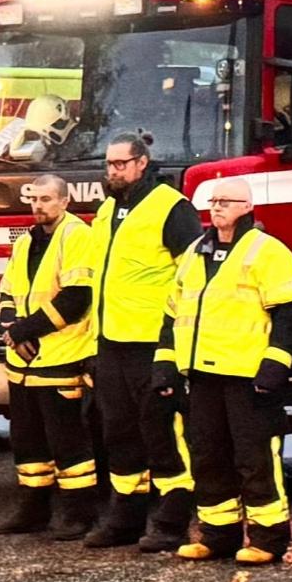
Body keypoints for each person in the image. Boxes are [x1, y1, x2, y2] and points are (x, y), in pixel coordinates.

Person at [159, 174, 292, 565]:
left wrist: (275, 365)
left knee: (255, 458)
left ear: (247, 207)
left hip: (247, 377)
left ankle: (268, 538)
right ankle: (217, 535)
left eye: (227, 200)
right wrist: (166, 366)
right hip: (203, 376)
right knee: (208, 456)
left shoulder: (267, 251)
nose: (217, 206)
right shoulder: (195, 252)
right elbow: (173, 313)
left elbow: (290, 314)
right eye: (214, 200)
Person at [82, 129, 202, 550]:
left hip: (152, 342)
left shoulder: (171, 208)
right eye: (109, 164)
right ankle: (125, 517)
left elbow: (193, 279)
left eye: (120, 164)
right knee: (119, 433)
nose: (112, 171)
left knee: (161, 433)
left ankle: (172, 518)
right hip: (111, 341)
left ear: (141, 164)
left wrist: (172, 349)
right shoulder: (107, 211)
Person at [0, 171, 100, 533]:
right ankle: (33, 510)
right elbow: (8, 293)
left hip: (61, 355)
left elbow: (76, 298)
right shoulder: (26, 241)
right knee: (27, 441)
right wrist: (10, 328)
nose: (38, 206)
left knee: (68, 441)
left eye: (46, 199)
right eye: (34, 200)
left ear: (64, 201)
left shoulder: (77, 236)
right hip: (22, 361)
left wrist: (24, 330)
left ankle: (78, 514)